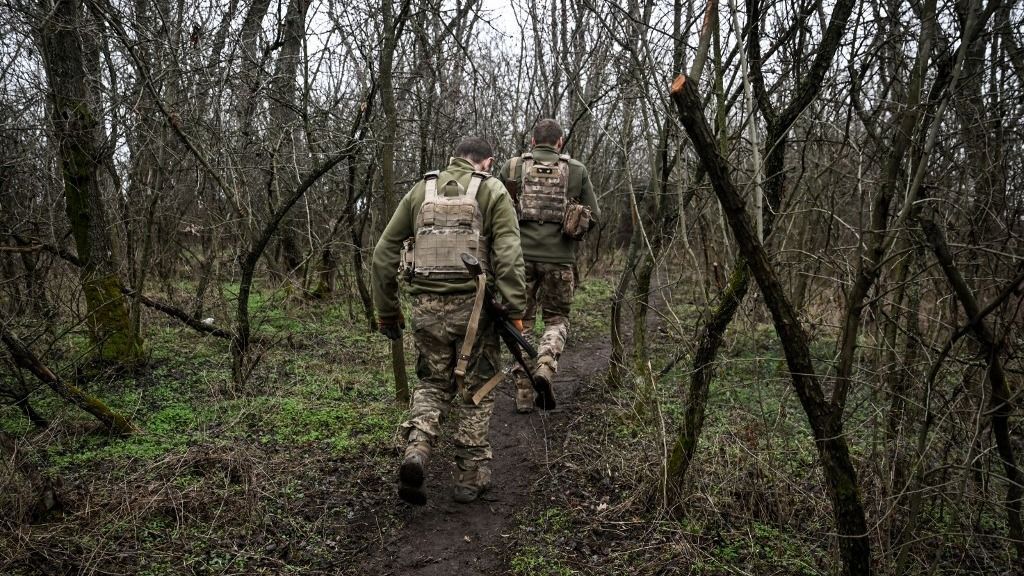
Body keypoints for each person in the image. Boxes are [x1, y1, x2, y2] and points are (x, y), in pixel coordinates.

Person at [371, 136, 527, 505]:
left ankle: (417, 449)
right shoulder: (492, 191)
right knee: (479, 388)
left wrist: (387, 310)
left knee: (431, 384)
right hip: (475, 311)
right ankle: (468, 479)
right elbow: (507, 252)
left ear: (454, 158)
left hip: (426, 309)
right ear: (486, 163)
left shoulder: (420, 192)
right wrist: (515, 307)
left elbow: (382, 254)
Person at [496, 119, 601, 413]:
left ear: (532, 141)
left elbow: (496, 212)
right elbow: (595, 216)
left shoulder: (513, 167)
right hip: (560, 260)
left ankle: (523, 392)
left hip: (519, 260)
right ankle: (545, 362)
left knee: (521, 322)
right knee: (556, 320)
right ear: (560, 142)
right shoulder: (576, 170)